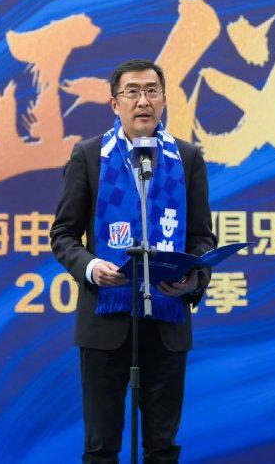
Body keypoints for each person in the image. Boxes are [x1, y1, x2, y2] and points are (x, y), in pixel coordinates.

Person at [50, 58, 218, 463]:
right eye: (132, 92)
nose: (143, 101)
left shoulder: (186, 158)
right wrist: (92, 268)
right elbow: (64, 234)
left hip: (166, 321)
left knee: (162, 448)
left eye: (151, 91)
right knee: (101, 448)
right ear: (115, 103)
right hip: (105, 323)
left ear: (164, 100)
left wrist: (192, 278)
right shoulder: (90, 156)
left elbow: (201, 238)